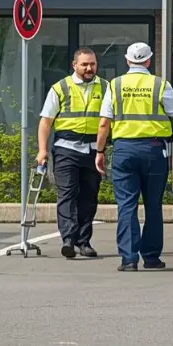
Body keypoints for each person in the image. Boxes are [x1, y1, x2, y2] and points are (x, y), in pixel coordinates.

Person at [96, 42, 173, 272]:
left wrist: (100, 151)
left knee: (126, 206)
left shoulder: (115, 85)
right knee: (153, 205)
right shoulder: (159, 84)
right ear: (148, 61)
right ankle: (152, 258)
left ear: (127, 61)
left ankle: (129, 259)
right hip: (154, 151)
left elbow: (104, 122)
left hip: (124, 150)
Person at [37, 47, 106, 259]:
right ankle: (68, 239)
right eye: (84, 64)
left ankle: (84, 242)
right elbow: (45, 122)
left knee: (89, 197)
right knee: (67, 194)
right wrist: (42, 150)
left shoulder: (106, 87)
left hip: (93, 150)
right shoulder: (60, 88)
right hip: (67, 148)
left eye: (92, 64)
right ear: (74, 65)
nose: (89, 68)